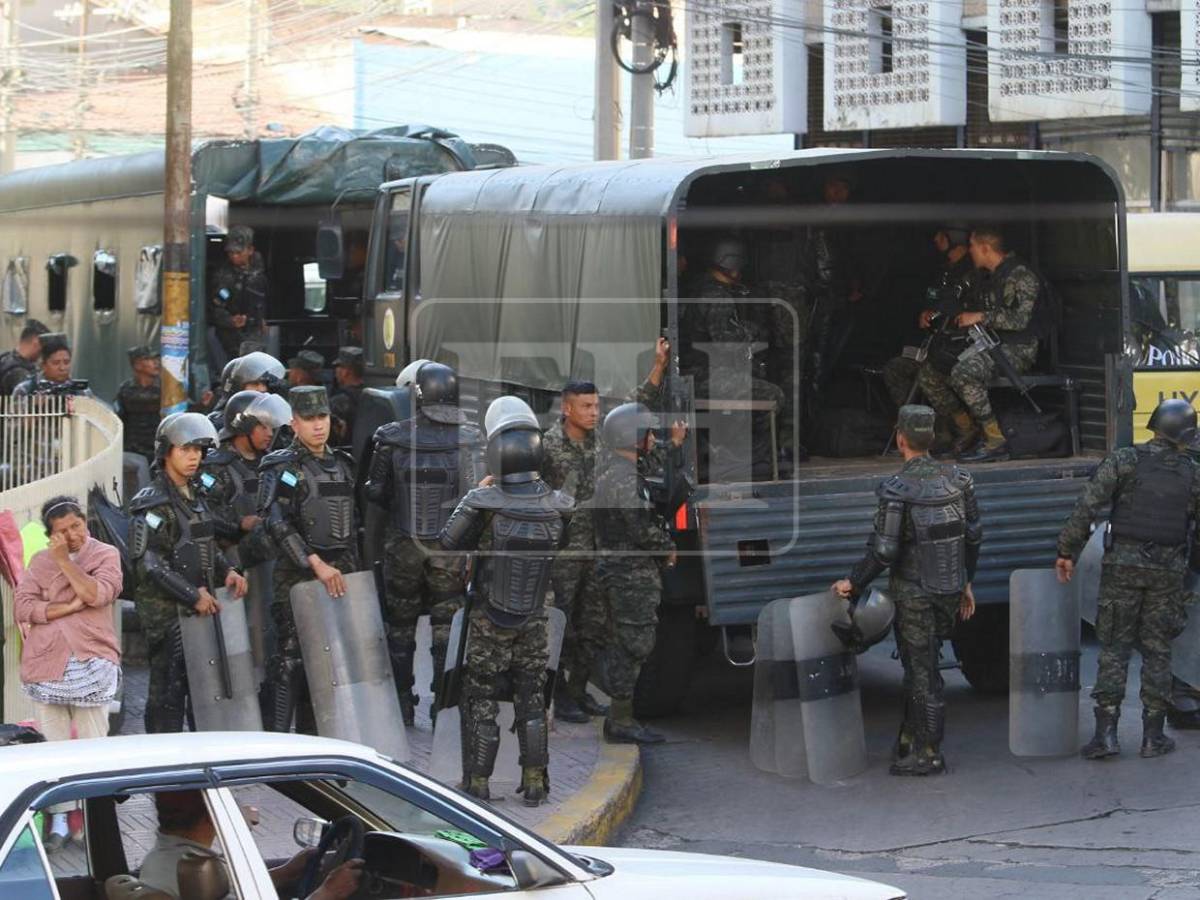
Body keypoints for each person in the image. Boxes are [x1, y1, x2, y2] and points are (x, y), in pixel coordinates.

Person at [833, 405, 981, 776]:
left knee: (922, 672)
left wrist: (854, 582)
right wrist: (967, 581)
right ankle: (908, 737)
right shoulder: (961, 480)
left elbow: (884, 551)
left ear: (901, 439)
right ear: (931, 438)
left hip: (914, 594)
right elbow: (974, 535)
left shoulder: (896, 489)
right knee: (921, 667)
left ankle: (928, 752)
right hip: (949, 588)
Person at [440, 396, 573, 805]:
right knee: (532, 697)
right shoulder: (560, 504)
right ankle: (535, 782)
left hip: (489, 618)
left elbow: (447, 541)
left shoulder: (483, 502)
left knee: (479, 696)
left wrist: (480, 493)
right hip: (535, 615)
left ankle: (478, 783)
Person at [1056, 398, 1200, 760]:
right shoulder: (1193, 472)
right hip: (1168, 572)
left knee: (1114, 648)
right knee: (1158, 650)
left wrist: (1066, 551)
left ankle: (1106, 735)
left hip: (1121, 566)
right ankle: (1153, 737)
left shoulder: (1124, 461)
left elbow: (1087, 506)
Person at [364, 362, 482, 723]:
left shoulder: (390, 437)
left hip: (403, 544)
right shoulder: (469, 439)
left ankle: (402, 703)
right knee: (446, 628)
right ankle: (443, 705)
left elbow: (376, 491)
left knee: (400, 628)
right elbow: (475, 496)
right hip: (448, 547)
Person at [14, 495, 122, 850]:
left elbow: (95, 594)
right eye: (63, 531)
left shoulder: (105, 554)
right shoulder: (39, 561)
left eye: (77, 525)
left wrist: (65, 563)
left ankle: (94, 820)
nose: (73, 535)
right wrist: (61, 608)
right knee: (51, 750)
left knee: (94, 748)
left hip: (92, 660)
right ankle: (59, 819)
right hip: (47, 664)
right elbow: (23, 605)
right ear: (51, 535)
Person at [129, 414, 248, 734]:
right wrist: (193, 595)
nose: (194, 456)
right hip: (168, 615)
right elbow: (151, 565)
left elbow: (205, 543)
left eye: (198, 449)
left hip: (201, 608)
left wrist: (229, 572)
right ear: (166, 452)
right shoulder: (152, 505)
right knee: (168, 695)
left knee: (204, 695)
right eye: (185, 449)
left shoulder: (196, 496)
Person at [258, 386, 361, 733]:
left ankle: (316, 742)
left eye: (323, 417)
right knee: (289, 660)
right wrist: (313, 562)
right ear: (293, 422)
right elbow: (276, 522)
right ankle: (277, 745)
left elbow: (352, 525)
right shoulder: (284, 468)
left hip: (340, 573)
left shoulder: (343, 465)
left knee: (329, 662)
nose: (318, 426)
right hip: (298, 575)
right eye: (309, 418)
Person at [592, 402, 680, 744]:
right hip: (630, 575)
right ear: (633, 439)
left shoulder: (618, 468)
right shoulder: (624, 479)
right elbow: (641, 529)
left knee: (627, 642)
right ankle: (621, 720)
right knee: (634, 643)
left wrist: (671, 444)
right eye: (648, 434)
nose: (653, 439)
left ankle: (621, 716)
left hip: (623, 571)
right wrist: (667, 546)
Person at [920, 226, 1045, 463]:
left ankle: (995, 438)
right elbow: (957, 299)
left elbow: (1020, 320)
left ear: (985, 248)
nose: (970, 252)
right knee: (931, 372)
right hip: (987, 344)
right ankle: (966, 429)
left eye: (973, 247)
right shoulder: (986, 277)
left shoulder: (1020, 275)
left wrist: (980, 317)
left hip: (1017, 349)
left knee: (963, 373)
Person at [682, 238, 785, 479]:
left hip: (694, 375)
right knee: (774, 395)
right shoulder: (717, 297)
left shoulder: (699, 288)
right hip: (706, 376)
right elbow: (727, 343)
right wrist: (750, 332)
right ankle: (749, 462)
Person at [139, 790, 361, 900]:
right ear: (212, 817)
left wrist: (286, 872)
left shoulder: (163, 860)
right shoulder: (198, 871)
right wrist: (328, 892)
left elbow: (236, 890)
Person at [540, 380, 609, 724]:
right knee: (561, 625)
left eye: (596, 406)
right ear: (567, 408)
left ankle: (580, 691)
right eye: (587, 406)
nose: (594, 413)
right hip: (563, 554)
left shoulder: (602, 444)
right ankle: (560, 695)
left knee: (593, 625)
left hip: (596, 551)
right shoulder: (548, 446)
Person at [884, 226, 978, 414]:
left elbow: (967, 311)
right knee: (895, 369)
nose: (936, 239)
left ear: (954, 237)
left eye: (941, 234)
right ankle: (915, 423)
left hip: (959, 349)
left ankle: (959, 427)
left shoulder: (974, 274)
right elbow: (933, 299)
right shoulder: (944, 271)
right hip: (935, 344)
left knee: (930, 375)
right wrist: (927, 313)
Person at [200, 391, 289, 570]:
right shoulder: (214, 466)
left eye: (271, 427)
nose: (270, 433)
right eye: (263, 427)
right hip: (231, 555)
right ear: (243, 427)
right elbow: (202, 512)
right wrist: (239, 522)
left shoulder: (273, 463)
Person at [210, 225, 267, 361]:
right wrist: (230, 320)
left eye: (238, 252)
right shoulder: (225, 277)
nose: (234, 256)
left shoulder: (258, 270)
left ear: (250, 250)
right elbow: (216, 306)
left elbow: (261, 299)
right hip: (234, 334)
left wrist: (262, 319)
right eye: (231, 253)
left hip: (255, 331)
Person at [115, 345, 162, 462]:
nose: (156, 363)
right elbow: (118, 419)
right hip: (133, 452)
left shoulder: (166, 389)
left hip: (157, 451)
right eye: (149, 359)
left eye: (156, 359)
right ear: (137, 365)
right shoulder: (126, 390)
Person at [11, 332, 92, 397]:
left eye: (66, 362)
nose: (62, 368)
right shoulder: (25, 390)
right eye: (56, 363)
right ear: (43, 365)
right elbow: (13, 416)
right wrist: (33, 405)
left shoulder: (81, 391)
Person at [0, 318, 48, 395]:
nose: (42, 352)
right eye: (43, 346)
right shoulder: (19, 372)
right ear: (36, 342)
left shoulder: (5, 359)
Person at [329, 346, 366, 447]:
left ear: (345, 371)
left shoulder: (337, 403)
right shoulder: (374, 397)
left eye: (338, 367)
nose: (336, 371)